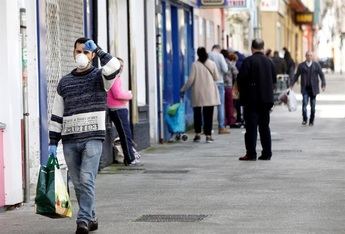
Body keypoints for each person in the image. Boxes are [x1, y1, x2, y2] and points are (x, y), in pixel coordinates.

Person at [48, 38, 121, 234]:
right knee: (79, 183)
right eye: (78, 51)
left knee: (87, 178)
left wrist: (99, 50)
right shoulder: (64, 82)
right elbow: (57, 113)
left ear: (92, 55)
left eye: (86, 52)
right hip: (70, 140)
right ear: (73, 53)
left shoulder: (101, 78)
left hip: (92, 138)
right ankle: (92, 216)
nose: (81, 55)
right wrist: (53, 141)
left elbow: (115, 66)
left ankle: (83, 220)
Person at [237, 39, 276, 161]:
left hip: (251, 101)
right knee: (265, 127)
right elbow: (274, 81)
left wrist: (242, 96)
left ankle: (251, 154)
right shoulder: (270, 62)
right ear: (263, 48)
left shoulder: (248, 61)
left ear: (252, 48)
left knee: (251, 128)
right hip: (266, 101)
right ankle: (267, 153)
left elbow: (241, 79)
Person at [180, 47, 220, 143]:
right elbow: (217, 77)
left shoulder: (195, 65)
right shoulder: (212, 63)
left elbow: (190, 80)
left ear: (197, 54)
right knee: (208, 115)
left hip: (198, 93)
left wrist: (183, 89)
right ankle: (208, 136)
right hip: (210, 93)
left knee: (197, 114)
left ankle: (197, 134)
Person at [107, 58, 140, 165]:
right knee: (125, 134)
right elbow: (118, 94)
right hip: (117, 109)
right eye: (119, 65)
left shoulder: (114, 77)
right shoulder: (114, 78)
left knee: (125, 134)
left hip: (118, 109)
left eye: (122, 66)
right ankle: (130, 158)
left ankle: (129, 157)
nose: (121, 68)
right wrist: (129, 94)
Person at [290, 51, 326, 126]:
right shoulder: (301, 66)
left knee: (313, 106)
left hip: (314, 89)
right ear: (305, 56)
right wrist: (291, 84)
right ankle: (305, 119)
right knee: (304, 105)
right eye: (308, 55)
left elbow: (321, 75)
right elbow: (296, 75)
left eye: (310, 55)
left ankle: (311, 120)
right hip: (305, 88)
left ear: (312, 56)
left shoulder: (316, 65)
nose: (309, 57)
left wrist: (323, 84)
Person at [208, 45, 230, 134]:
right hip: (219, 82)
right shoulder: (220, 56)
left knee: (208, 105)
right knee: (220, 105)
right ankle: (221, 127)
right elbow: (225, 69)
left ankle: (207, 127)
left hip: (209, 83)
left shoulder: (207, 55)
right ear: (218, 49)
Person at [221, 49, 238, 127]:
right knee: (229, 104)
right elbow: (236, 73)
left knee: (222, 105)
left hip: (220, 85)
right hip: (228, 86)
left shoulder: (218, 62)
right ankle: (231, 121)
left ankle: (223, 121)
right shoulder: (228, 63)